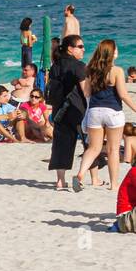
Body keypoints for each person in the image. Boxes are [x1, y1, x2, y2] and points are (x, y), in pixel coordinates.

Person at [75, 39, 136, 191]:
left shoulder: (90, 69)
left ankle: (80, 174)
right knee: (113, 150)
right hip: (113, 112)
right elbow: (123, 94)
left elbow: (87, 92)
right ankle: (114, 184)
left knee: (94, 148)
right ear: (112, 52)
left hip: (95, 112)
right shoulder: (117, 71)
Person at [47, 34, 88, 191]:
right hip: (78, 109)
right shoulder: (79, 66)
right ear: (70, 49)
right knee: (89, 143)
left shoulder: (55, 66)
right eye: (80, 46)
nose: (83, 49)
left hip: (60, 110)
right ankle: (94, 178)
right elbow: (86, 91)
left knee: (61, 145)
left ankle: (60, 181)